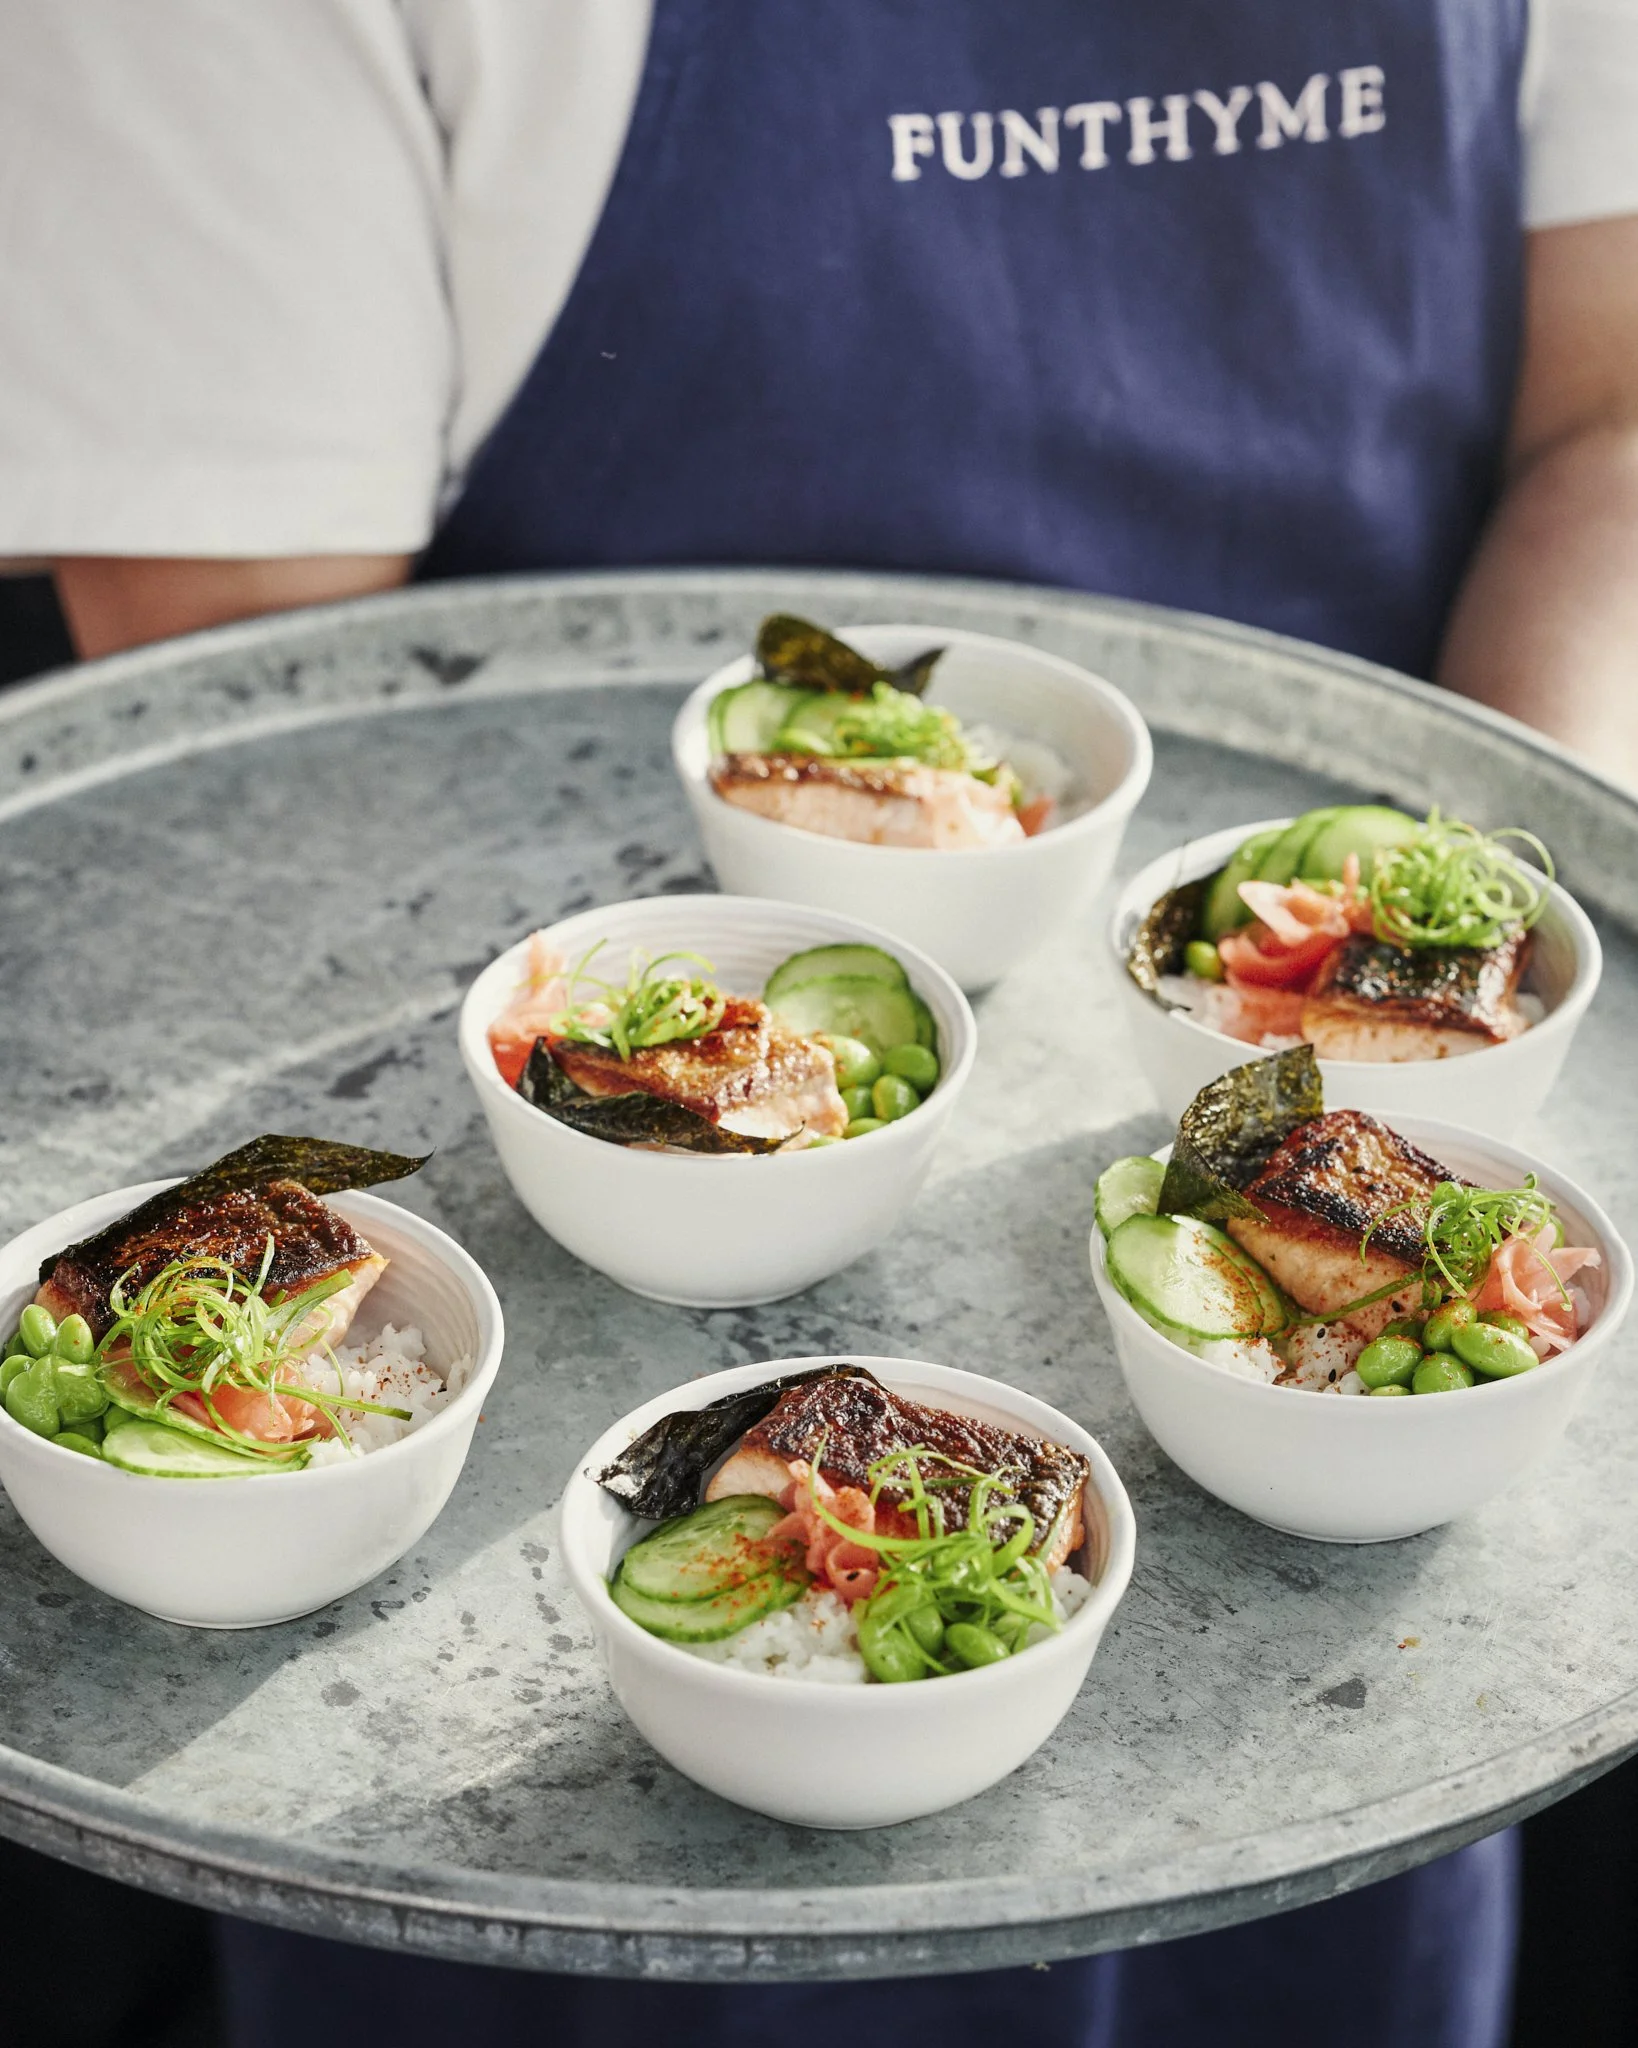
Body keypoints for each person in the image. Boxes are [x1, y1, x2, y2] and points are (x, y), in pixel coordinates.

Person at [0, 6, 1634, 2045]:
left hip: (1340, 1666)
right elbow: (276, 728)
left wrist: (1467, 971)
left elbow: (1614, 411)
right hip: (537, 1756)